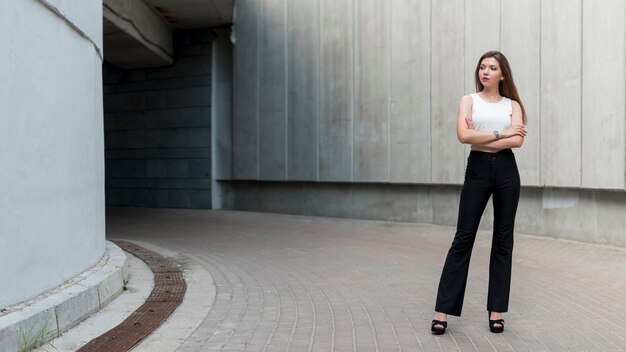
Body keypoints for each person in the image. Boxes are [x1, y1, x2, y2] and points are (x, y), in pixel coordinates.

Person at [431, 50, 527, 335]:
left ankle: (496, 310)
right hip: (478, 169)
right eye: (482, 67)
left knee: (503, 240)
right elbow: (464, 136)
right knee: (463, 238)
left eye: (492, 68)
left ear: (502, 74)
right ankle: (442, 311)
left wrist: (485, 135)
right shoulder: (468, 101)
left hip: (508, 172)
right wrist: (501, 134)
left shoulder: (513, 105)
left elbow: (518, 141)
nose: (485, 72)